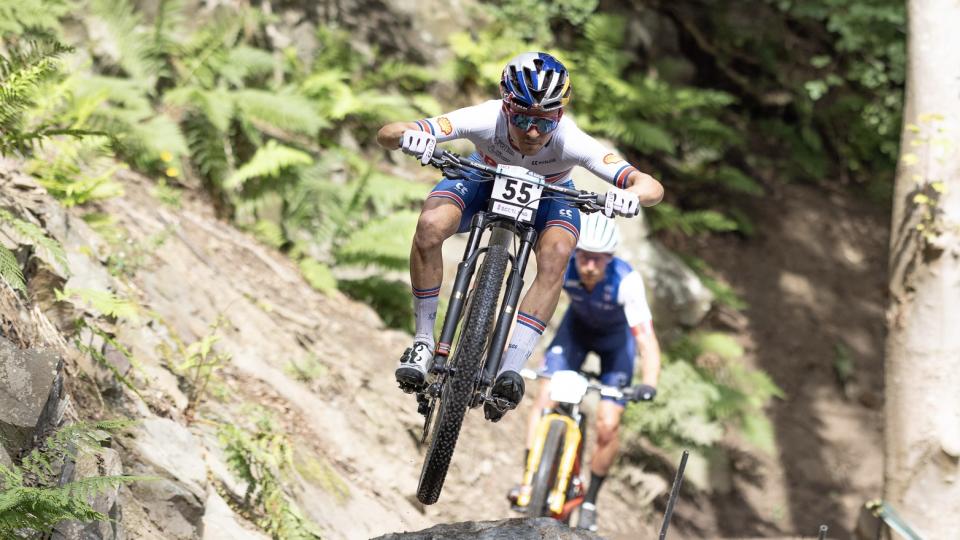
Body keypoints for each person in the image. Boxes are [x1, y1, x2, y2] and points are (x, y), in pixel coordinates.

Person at [375, 51, 663, 421]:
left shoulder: (571, 139)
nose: (531, 132)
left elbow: (650, 186)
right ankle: (423, 341)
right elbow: (389, 133)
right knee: (430, 226)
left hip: (550, 194)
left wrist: (631, 195)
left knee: (558, 253)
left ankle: (510, 367)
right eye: (522, 118)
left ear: (558, 116)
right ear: (505, 105)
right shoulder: (483, 117)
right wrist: (409, 137)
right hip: (481, 177)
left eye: (543, 123)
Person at [514, 213, 661, 531]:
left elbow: (646, 338)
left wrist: (649, 382)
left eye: (598, 259)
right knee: (544, 398)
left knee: (608, 424)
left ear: (610, 259)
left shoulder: (626, 280)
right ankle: (528, 481)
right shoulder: (565, 265)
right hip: (575, 332)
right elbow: (535, 302)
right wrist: (514, 352)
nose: (589, 266)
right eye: (584, 257)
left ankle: (591, 500)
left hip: (616, 345)